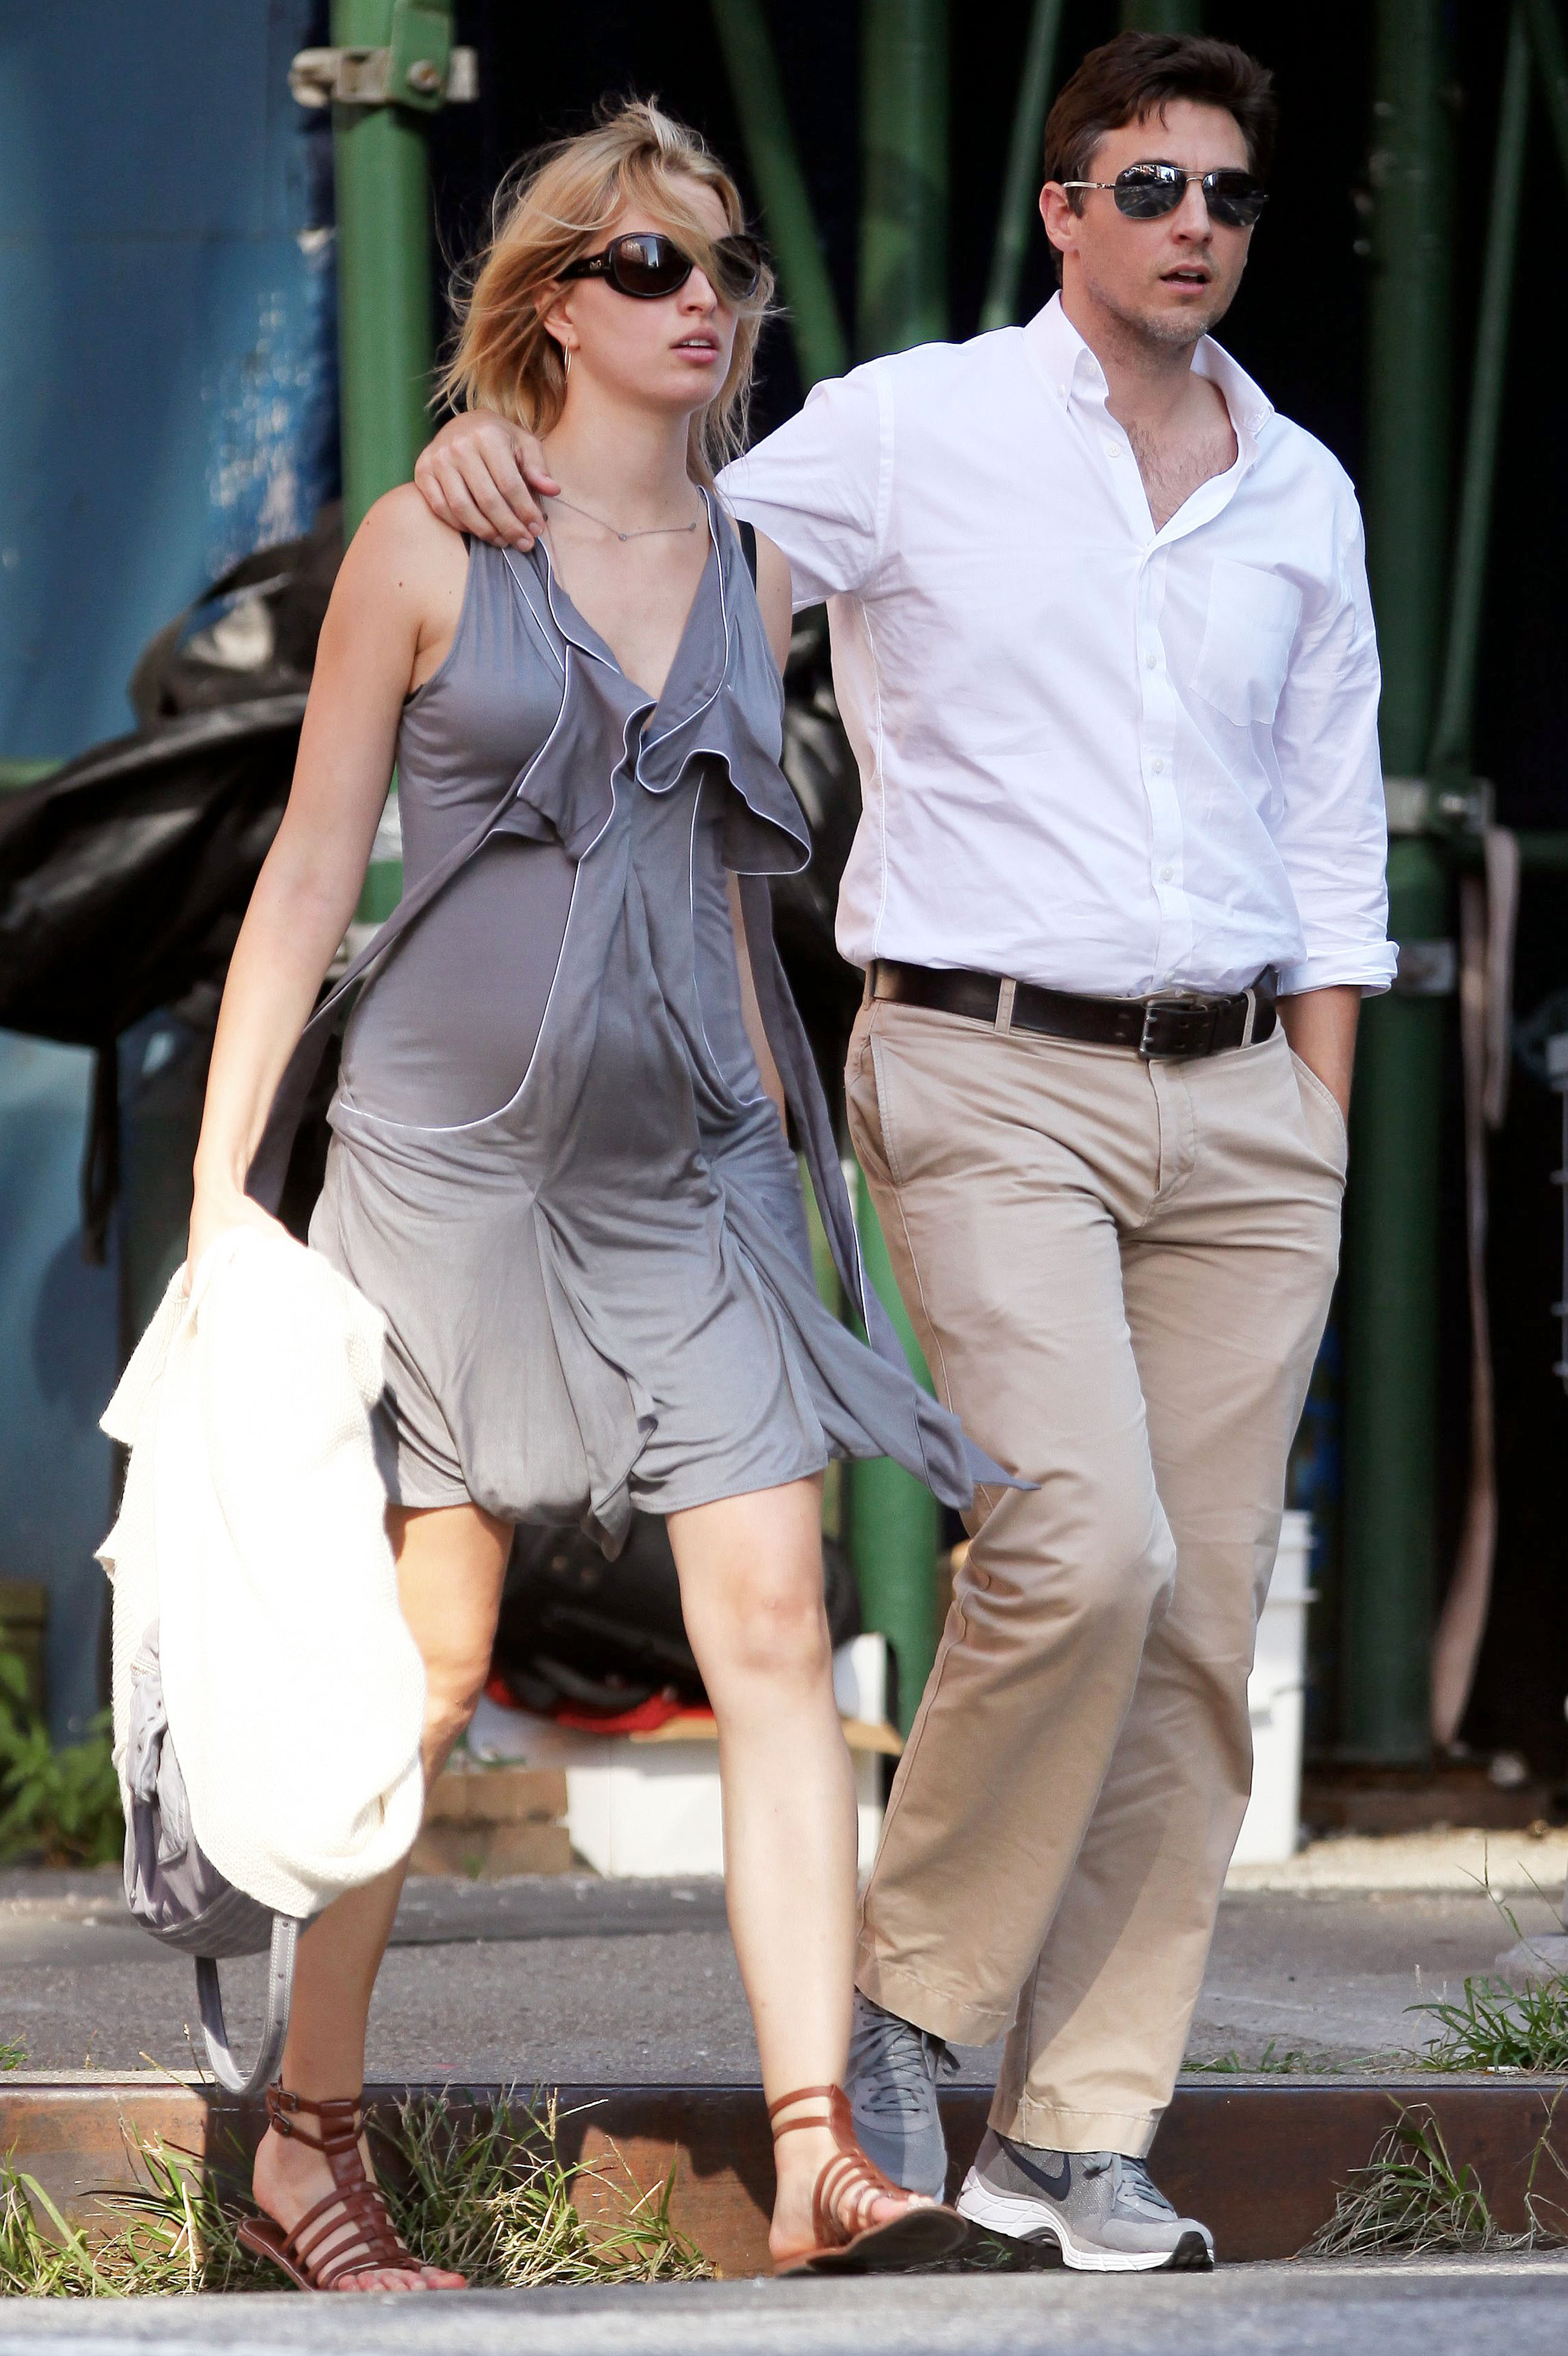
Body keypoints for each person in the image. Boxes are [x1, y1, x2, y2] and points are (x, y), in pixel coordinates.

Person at [415, 31, 1395, 2272]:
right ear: (1065, 213)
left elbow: (1335, 839)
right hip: (984, 1065)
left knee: (1198, 1625)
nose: (1194, 227)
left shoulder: (1304, 490)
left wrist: (1318, 1126)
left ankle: (1076, 2128)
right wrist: (499, 447)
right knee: (1082, 1545)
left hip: (1251, 1099)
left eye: (1230, 197)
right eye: (1149, 186)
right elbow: (663, 525)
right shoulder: (916, 422)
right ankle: (909, 2006)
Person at [185, 98, 1001, 2292]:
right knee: (428, 1663)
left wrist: (784, 1150)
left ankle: (824, 2155)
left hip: (687, 1164)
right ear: (553, 305)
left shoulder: (754, 559)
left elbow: (731, 879)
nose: (702, 299)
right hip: (446, 1177)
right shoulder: (426, 539)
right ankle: (303, 2148)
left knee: (774, 1624)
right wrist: (220, 1202)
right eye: (650, 263)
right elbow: (308, 877)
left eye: (726, 265)